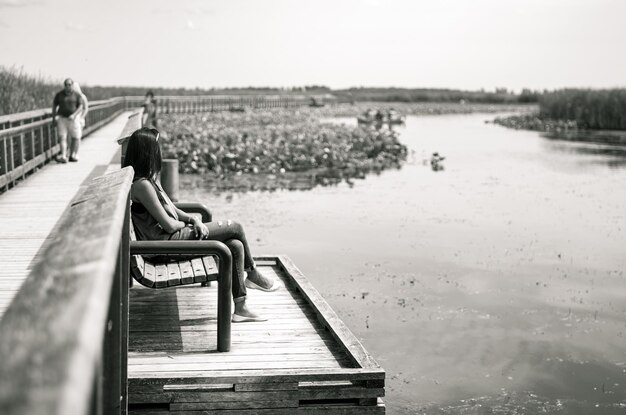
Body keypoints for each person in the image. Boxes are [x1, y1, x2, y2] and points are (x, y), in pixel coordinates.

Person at [123, 127, 280, 322]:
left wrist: (193, 219)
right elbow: (170, 225)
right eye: (156, 146)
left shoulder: (149, 180)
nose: (159, 151)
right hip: (164, 245)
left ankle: (241, 308)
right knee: (235, 227)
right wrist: (188, 228)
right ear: (148, 150)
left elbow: (171, 209)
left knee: (234, 245)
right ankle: (253, 273)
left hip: (171, 239)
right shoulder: (142, 185)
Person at [52, 78, 86, 163]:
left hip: (73, 119)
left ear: (72, 85)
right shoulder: (59, 95)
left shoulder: (77, 95)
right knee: (62, 137)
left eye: (69, 84)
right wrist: (53, 118)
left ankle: (72, 155)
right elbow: (54, 106)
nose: (67, 86)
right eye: (66, 85)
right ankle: (63, 156)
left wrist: (74, 115)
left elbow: (81, 107)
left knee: (76, 137)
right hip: (62, 119)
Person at [69, 81, 89, 161]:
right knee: (71, 138)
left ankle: (75, 153)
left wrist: (81, 117)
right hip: (72, 120)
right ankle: (71, 154)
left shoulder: (82, 97)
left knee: (77, 137)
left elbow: (86, 108)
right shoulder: (72, 96)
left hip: (79, 119)